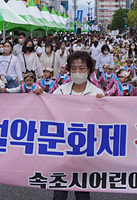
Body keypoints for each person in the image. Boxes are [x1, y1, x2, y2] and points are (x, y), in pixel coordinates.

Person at [38, 51, 103, 200]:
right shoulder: (61, 90)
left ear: (89, 70)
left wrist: (102, 104)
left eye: (81, 68)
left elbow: (103, 124)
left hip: (85, 150)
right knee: (59, 194)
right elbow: (47, 109)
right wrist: (39, 96)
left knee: (82, 193)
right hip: (62, 150)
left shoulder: (97, 93)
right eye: (73, 68)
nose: (77, 72)